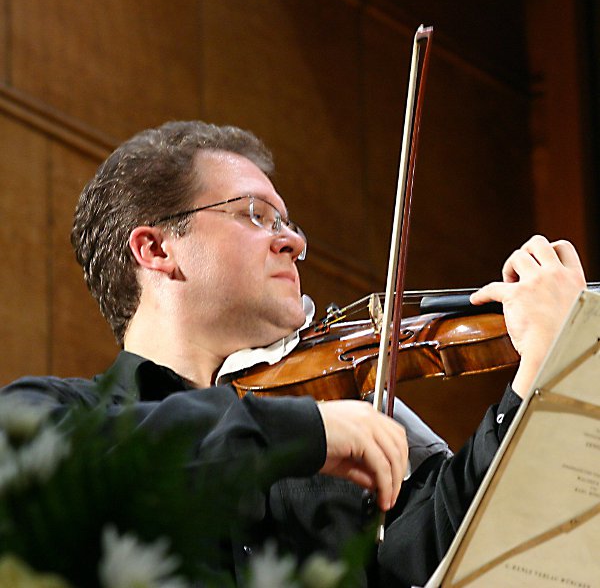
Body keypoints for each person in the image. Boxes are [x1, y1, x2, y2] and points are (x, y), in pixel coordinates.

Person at [1, 120, 587, 586]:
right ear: (155, 249)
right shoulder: (67, 415)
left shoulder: (342, 469)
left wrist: (542, 371)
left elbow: (466, 554)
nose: (296, 241)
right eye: (256, 215)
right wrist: (301, 431)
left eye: (288, 222)